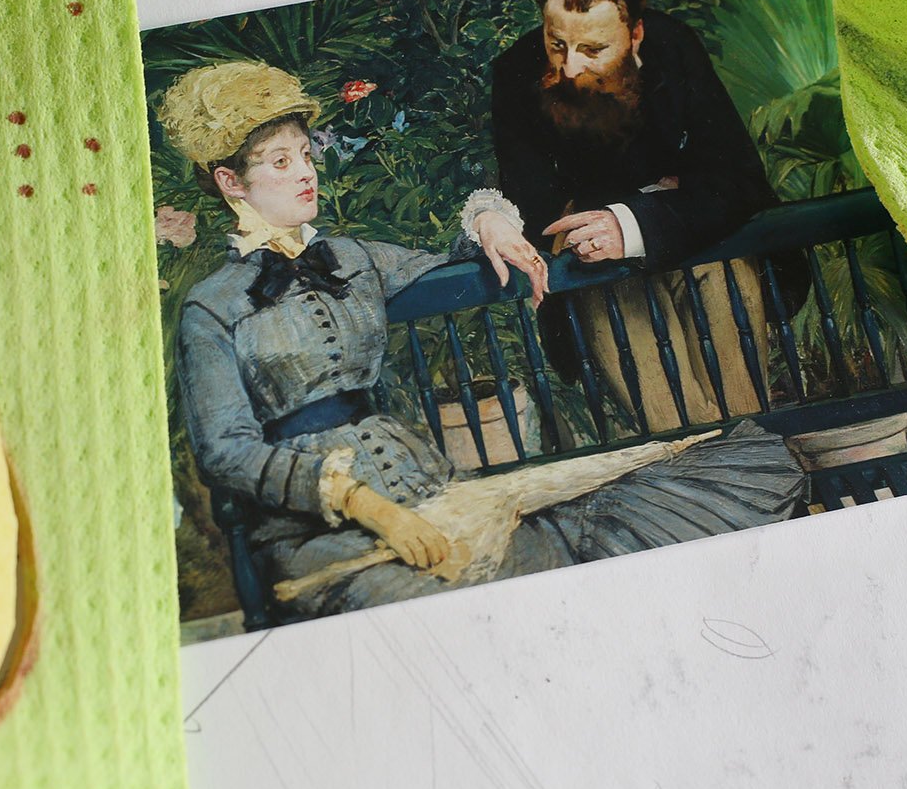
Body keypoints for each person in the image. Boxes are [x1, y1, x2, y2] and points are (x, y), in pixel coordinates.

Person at [160, 60, 804, 622]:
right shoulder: (211, 307)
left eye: (305, 154)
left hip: (432, 490)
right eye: (280, 162)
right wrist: (369, 507)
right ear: (230, 183)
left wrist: (489, 221)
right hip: (320, 530)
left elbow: (453, 258)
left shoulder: (354, 258)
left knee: (588, 543)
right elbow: (226, 454)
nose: (306, 174)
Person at [490, 0, 778, 432]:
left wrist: (633, 221)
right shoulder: (517, 72)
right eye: (556, 43)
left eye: (593, 49)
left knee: (746, 417)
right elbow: (537, 206)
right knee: (681, 433)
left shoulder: (672, 46)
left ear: (635, 35)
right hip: (598, 269)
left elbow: (735, 178)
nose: (568, 67)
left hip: (703, 250)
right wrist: (662, 194)